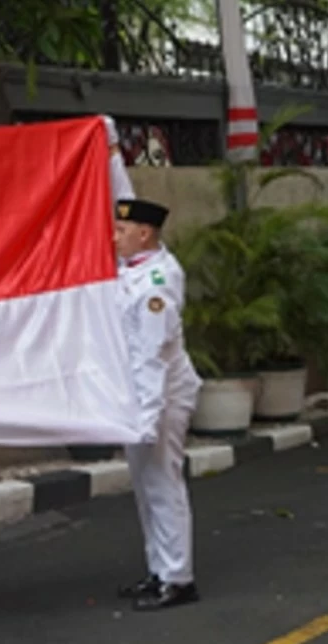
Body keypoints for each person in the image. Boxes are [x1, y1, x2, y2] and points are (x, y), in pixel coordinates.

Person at [112, 199, 204, 611]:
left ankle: (179, 578)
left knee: (164, 483)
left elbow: (153, 356)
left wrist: (146, 419)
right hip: (140, 394)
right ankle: (159, 570)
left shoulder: (156, 282)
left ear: (143, 234)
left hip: (162, 394)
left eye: (121, 230)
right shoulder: (130, 271)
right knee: (147, 488)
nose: (114, 236)